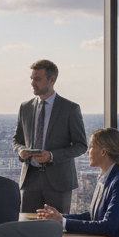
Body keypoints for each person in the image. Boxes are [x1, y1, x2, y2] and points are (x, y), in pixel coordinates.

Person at [13, 59, 88, 213]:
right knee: (27, 225)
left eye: (37, 79)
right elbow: (17, 140)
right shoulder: (25, 107)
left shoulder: (70, 108)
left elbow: (81, 146)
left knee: (56, 226)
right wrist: (20, 150)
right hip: (30, 179)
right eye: (32, 79)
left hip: (59, 182)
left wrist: (52, 156)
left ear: (52, 80)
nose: (32, 83)